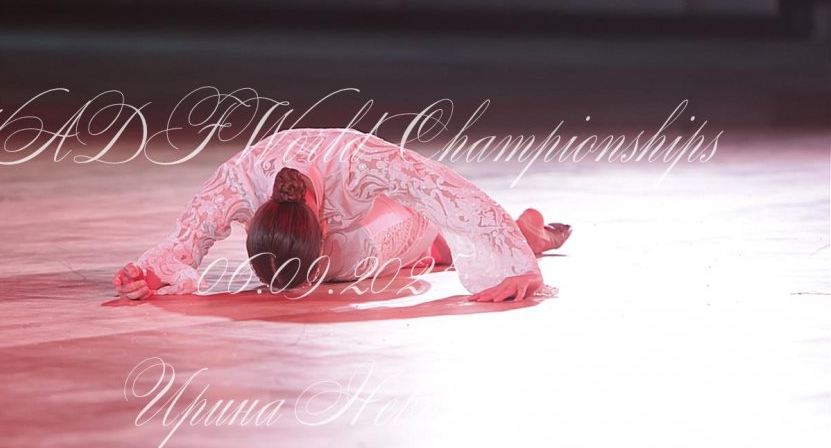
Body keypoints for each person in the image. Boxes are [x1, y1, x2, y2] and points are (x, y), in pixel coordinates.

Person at [114, 128, 571, 303]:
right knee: (334, 261)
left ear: (321, 224)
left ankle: (496, 239)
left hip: (407, 214)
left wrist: (518, 267)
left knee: (346, 257)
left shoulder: (356, 162)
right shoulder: (242, 178)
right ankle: (448, 248)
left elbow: (448, 192)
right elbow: (189, 234)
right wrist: (150, 274)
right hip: (365, 230)